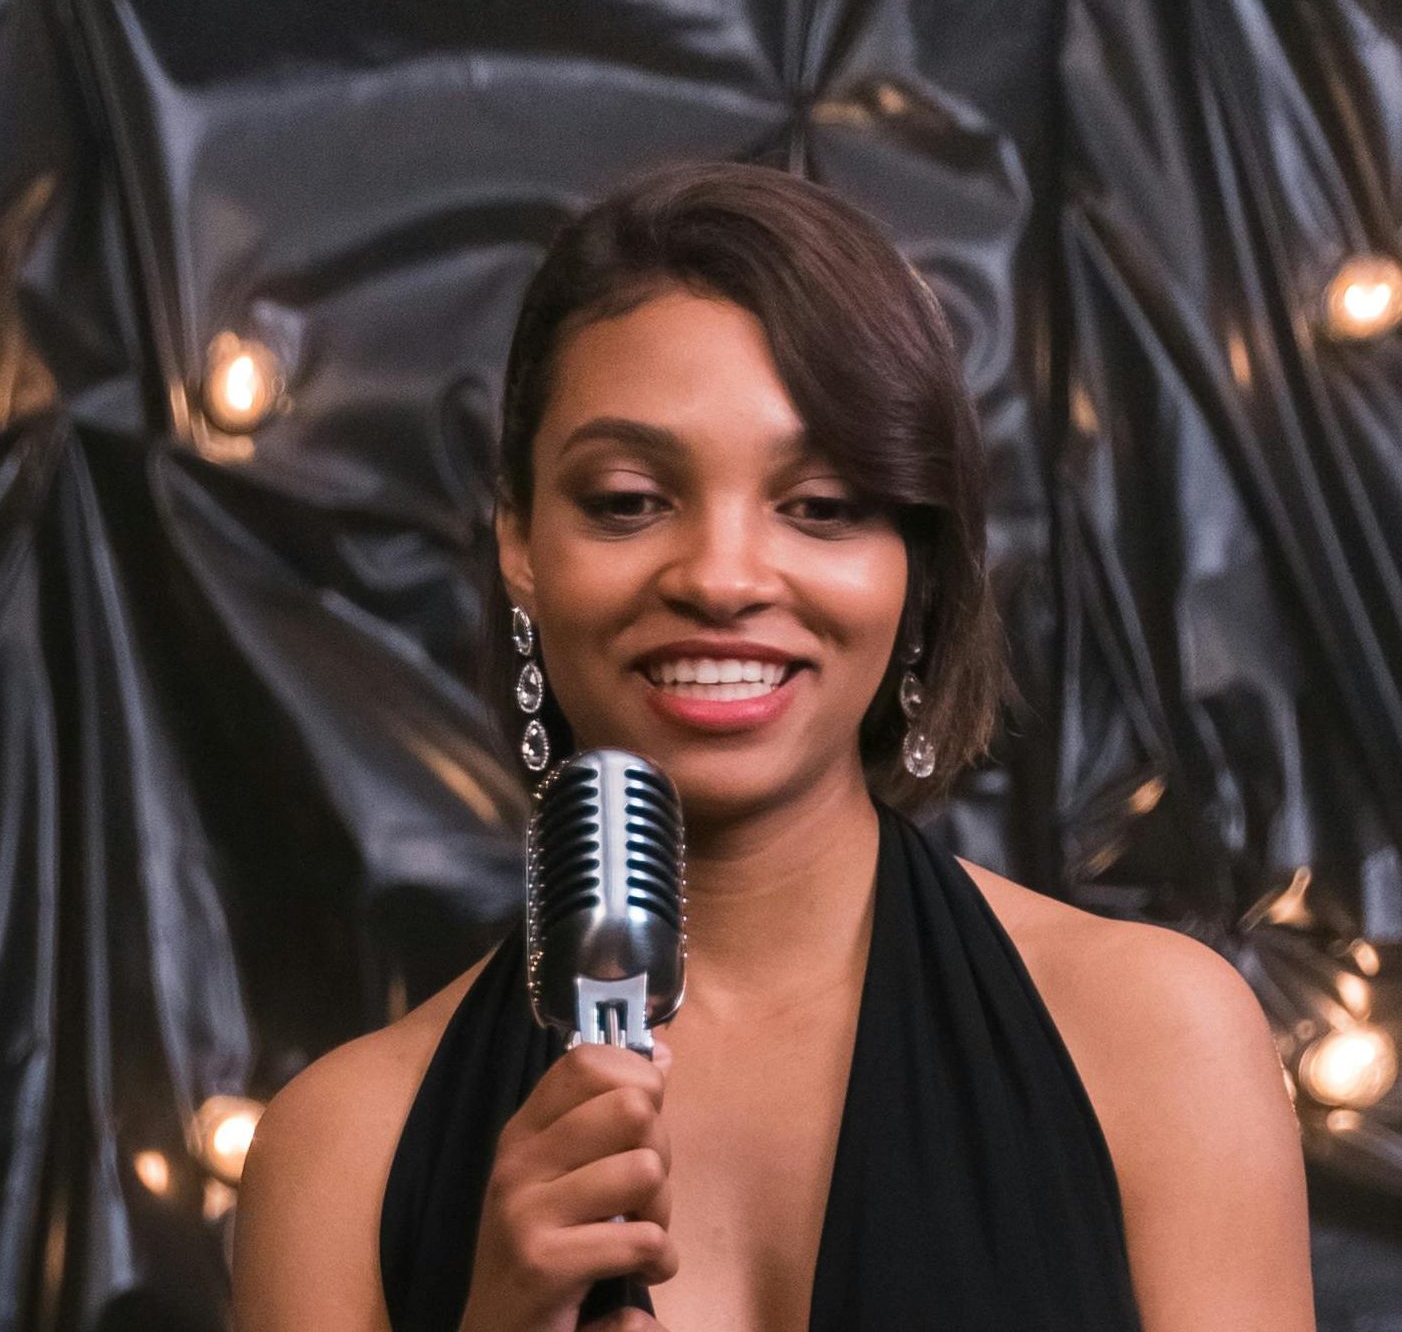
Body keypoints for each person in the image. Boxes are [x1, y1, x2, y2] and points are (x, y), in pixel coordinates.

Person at [231, 161, 1316, 1331]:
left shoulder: (1159, 1039)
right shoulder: (342, 1152)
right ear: (519, 542)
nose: (721, 577)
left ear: (916, 562)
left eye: (821, 505)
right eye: (628, 498)